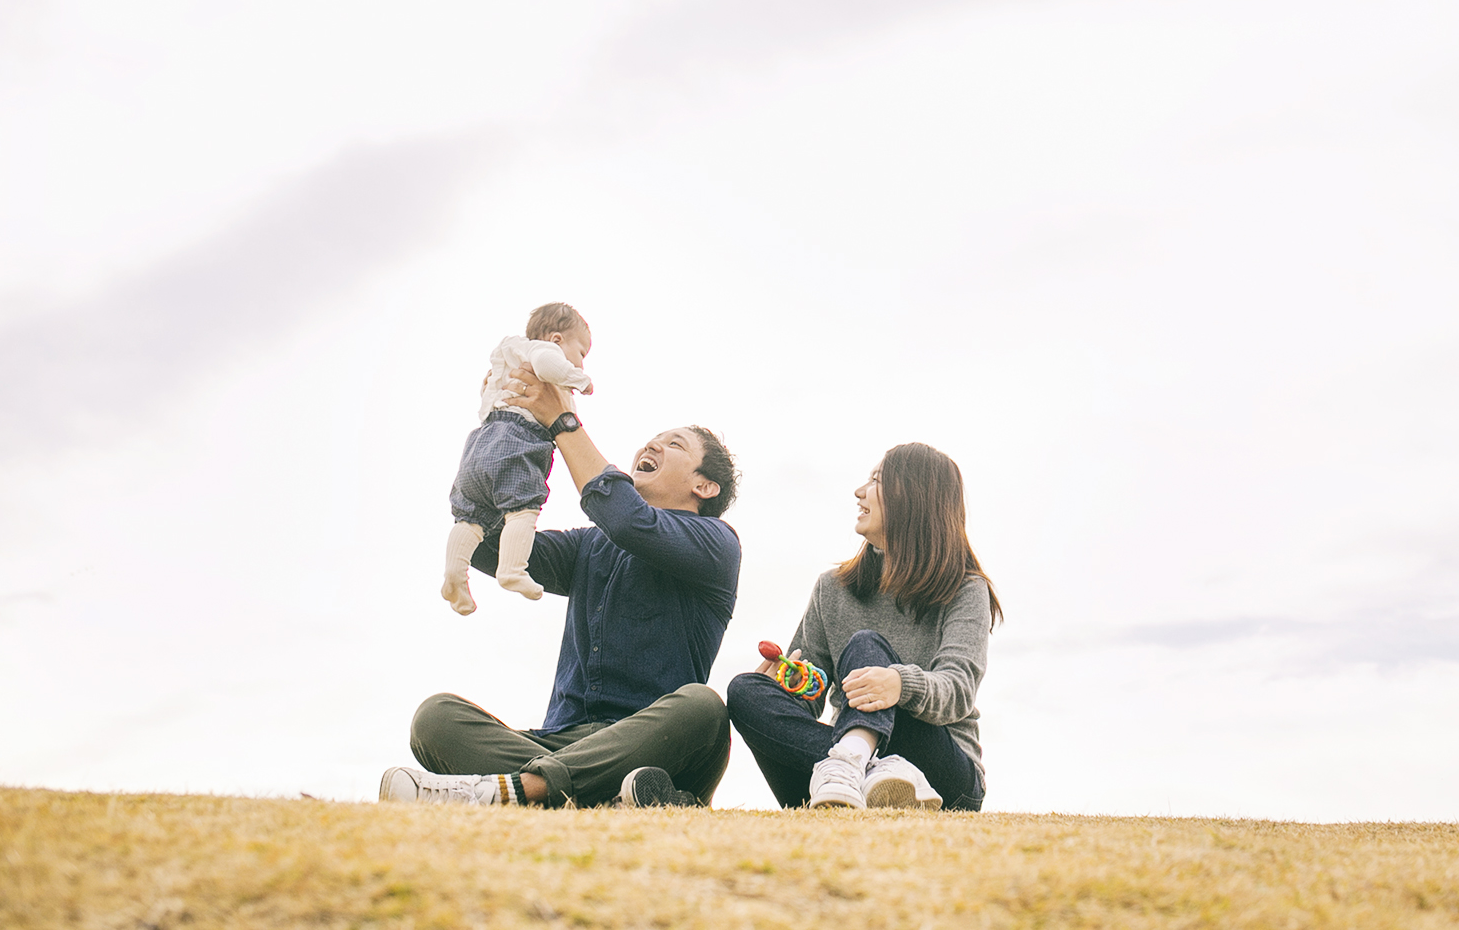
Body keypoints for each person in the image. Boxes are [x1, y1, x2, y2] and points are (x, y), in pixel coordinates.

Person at [380, 366, 741, 809]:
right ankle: (599, 794)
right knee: (435, 719)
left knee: (703, 708)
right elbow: (487, 549)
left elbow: (627, 519)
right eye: (655, 438)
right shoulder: (590, 545)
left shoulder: (718, 544)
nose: (653, 445)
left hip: (654, 743)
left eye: (674, 444)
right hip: (568, 746)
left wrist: (564, 422)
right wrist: (503, 433)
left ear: (703, 486)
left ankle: (523, 789)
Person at [726, 442, 1000, 811]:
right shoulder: (833, 589)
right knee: (745, 690)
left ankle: (852, 765)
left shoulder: (966, 589)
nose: (860, 492)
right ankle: (864, 769)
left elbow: (958, 691)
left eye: (876, 480)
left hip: (944, 777)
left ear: (915, 497)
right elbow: (809, 701)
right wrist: (789, 689)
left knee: (865, 646)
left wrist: (900, 684)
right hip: (841, 782)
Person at [441, 302, 594, 615]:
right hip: (516, 442)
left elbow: (486, 398)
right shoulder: (541, 351)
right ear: (557, 340)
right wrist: (579, 380)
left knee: (471, 519)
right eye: (581, 353)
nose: (580, 362)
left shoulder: (507, 356)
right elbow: (549, 365)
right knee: (523, 509)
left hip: (481, 443)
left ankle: (454, 576)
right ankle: (512, 569)